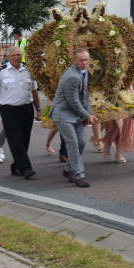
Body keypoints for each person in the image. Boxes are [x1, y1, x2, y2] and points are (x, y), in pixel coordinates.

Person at [0, 46, 39, 178]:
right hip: (9, 110)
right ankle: (26, 168)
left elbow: (34, 91)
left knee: (25, 139)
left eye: (19, 55)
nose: (17, 57)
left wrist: (38, 110)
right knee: (15, 139)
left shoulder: (28, 70)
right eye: (13, 55)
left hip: (27, 108)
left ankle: (16, 167)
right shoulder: (1, 72)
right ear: (8, 57)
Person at [51, 48, 97, 187]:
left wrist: (88, 114)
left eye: (86, 60)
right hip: (63, 114)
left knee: (82, 142)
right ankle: (78, 175)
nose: (84, 63)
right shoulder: (72, 76)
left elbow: (84, 96)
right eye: (81, 60)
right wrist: (86, 115)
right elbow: (73, 101)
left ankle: (68, 169)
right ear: (74, 60)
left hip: (76, 114)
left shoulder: (84, 72)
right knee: (73, 144)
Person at [102, 72, 134, 163]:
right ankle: (107, 145)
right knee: (117, 124)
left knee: (125, 127)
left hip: (128, 100)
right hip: (113, 99)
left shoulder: (130, 66)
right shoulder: (112, 65)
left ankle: (119, 152)